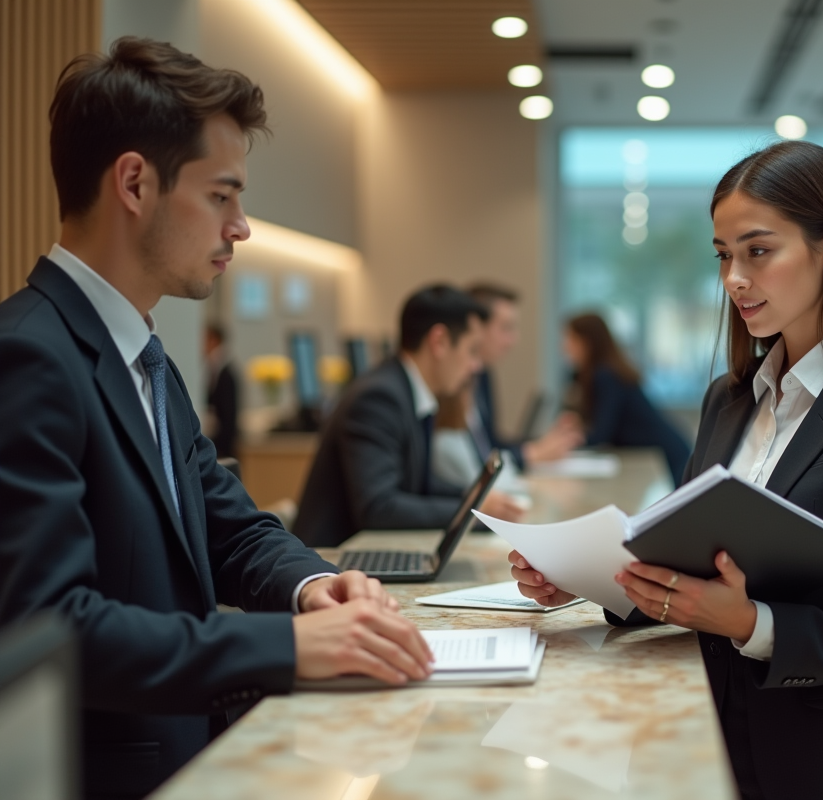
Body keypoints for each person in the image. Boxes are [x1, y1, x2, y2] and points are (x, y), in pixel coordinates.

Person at [0, 38, 434, 799]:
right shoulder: (29, 357)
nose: (241, 227)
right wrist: (291, 645)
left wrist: (315, 587)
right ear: (134, 183)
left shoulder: (145, 357)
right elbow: (53, 627)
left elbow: (232, 527)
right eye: (221, 196)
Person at [512, 140, 823, 800]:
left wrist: (751, 623)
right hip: (720, 738)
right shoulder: (729, 399)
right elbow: (690, 567)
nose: (734, 279)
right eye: (724, 256)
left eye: (758, 251)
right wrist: (591, 578)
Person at [294, 285, 525, 547]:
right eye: (472, 350)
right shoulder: (379, 398)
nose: (476, 366)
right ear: (439, 342)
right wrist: (471, 510)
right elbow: (379, 507)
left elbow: (420, 484)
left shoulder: (407, 389)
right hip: (332, 557)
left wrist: (474, 496)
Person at [561, 312, 691, 487]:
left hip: (667, 457)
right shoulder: (600, 373)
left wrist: (568, 442)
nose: (565, 346)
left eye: (570, 339)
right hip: (660, 454)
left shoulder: (606, 376)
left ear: (587, 342)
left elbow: (602, 433)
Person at [465, 283, 582, 467]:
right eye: (506, 328)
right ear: (476, 327)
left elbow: (490, 441)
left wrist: (538, 445)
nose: (513, 340)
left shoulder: (484, 375)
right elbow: (477, 455)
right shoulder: (455, 381)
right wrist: (531, 453)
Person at [204, 323, 239, 459]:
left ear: (214, 340)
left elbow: (228, 418)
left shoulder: (225, 373)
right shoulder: (216, 368)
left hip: (223, 450)